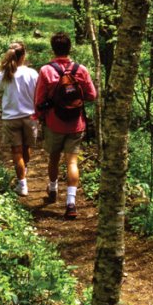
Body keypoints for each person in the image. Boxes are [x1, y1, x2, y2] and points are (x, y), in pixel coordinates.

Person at [34, 31, 97, 219]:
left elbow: (39, 99)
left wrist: (39, 118)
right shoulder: (81, 69)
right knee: (72, 162)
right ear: (70, 48)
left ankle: (52, 189)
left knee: (53, 158)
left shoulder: (46, 70)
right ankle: (71, 203)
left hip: (54, 123)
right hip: (76, 124)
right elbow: (92, 95)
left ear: (53, 49)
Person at [0, 41, 38, 196]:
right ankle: (23, 171)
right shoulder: (32, 73)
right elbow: (39, 92)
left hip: (11, 118)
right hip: (30, 117)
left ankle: (22, 184)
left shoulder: (2, 75)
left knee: (16, 151)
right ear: (23, 56)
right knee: (26, 148)